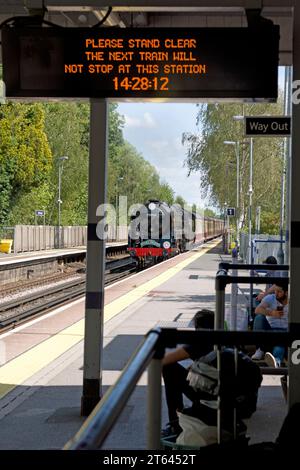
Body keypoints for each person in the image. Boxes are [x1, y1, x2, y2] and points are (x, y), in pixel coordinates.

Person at [161, 309, 215, 437]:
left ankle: (175, 423)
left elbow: (165, 361)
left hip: (209, 393)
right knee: (179, 372)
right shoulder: (222, 338)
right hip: (225, 393)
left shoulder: (199, 342)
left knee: (169, 369)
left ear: (198, 327)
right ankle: (178, 418)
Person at [251, 279, 288, 367]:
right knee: (259, 318)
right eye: (275, 291)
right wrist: (271, 313)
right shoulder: (271, 298)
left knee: (279, 347)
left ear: (286, 292)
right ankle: (260, 349)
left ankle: (276, 361)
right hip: (270, 330)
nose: (276, 293)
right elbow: (257, 310)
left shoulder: (293, 301)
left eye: (279, 291)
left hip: (285, 332)